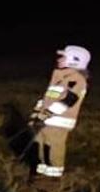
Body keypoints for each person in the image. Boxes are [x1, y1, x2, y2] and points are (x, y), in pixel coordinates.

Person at [30, 45, 91, 178]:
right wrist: (36, 113)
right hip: (46, 119)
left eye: (63, 57)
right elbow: (47, 98)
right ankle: (41, 172)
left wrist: (46, 113)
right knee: (41, 143)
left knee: (53, 146)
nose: (59, 59)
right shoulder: (59, 76)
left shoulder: (76, 80)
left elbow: (68, 101)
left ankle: (53, 177)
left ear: (75, 61)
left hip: (59, 121)